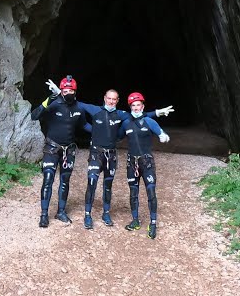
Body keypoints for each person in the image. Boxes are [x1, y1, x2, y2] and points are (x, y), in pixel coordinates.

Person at [80, 90, 174, 230]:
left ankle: (106, 213)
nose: (111, 101)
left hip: (111, 155)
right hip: (96, 153)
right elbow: (75, 104)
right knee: (92, 181)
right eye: (109, 98)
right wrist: (59, 95)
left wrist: (157, 113)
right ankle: (87, 215)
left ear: (117, 101)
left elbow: (139, 116)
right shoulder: (95, 110)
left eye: (114, 99)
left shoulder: (121, 115)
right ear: (104, 98)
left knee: (108, 185)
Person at [30, 75, 103, 228]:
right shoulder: (54, 104)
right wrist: (51, 98)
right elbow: (35, 115)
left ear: (75, 91)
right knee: (48, 179)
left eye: (71, 90)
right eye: (65, 90)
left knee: (65, 181)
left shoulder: (78, 108)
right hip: (52, 148)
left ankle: (61, 211)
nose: (68, 92)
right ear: (61, 91)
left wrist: (101, 132)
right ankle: (44, 214)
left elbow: (84, 126)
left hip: (68, 151)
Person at [116, 92, 171, 239]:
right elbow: (117, 137)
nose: (135, 108)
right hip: (132, 163)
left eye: (138, 105)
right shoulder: (126, 123)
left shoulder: (149, 121)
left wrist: (163, 135)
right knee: (133, 193)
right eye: (133, 105)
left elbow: (161, 133)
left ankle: (153, 223)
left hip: (146, 162)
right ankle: (135, 220)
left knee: (151, 192)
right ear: (130, 107)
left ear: (143, 106)